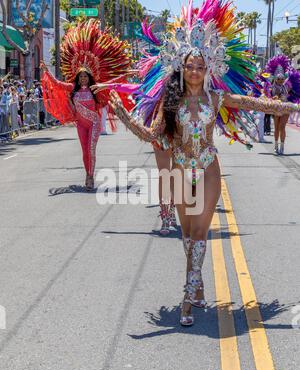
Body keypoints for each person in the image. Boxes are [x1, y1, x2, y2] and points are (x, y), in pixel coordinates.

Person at [108, 0, 300, 327]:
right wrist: (124, 116)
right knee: (186, 233)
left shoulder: (216, 98)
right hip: (181, 169)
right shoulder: (170, 101)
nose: (194, 71)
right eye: (190, 65)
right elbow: (149, 134)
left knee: (200, 232)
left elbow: (256, 102)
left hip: (208, 168)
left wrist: (290, 107)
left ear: (208, 69)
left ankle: (187, 296)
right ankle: (196, 284)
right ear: (181, 69)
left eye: (200, 65)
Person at [41, 19, 138, 191]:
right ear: (77, 78)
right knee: (84, 151)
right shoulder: (72, 87)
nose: (83, 79)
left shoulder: (95, 89)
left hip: (93, 124)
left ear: (90, 77)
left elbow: (112, 83)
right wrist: (47, 72)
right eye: (81, 77)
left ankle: (90, 177)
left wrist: (126, 73)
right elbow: (57, 84)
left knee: (91, 150)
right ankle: (88, 172)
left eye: (86, 77)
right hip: (81, 125)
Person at [264, 55, 300, 155]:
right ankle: (276, 145)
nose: (280, 80)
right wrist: (274, 97)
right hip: (276, 109)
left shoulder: (287, 86)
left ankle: (282, 146)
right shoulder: (272, 87)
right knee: (276, 127)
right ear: (275, 78)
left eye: (282, 78)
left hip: (285, 108)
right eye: (279, 79)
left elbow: (292, 94)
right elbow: (270, 96)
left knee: (282, 127)